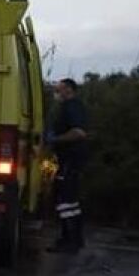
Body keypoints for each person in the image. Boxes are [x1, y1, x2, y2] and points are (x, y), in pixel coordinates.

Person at [47, 78, 93, 259]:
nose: (57, 92)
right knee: (70, 200)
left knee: (65, 199)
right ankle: (74, 238)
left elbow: (79, 132)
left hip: (70, 160)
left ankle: (70, 241)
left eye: (59, 88)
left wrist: (55, 139)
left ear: (68, 89)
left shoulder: (72, 107)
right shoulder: (72, 106)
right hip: (70, 160)